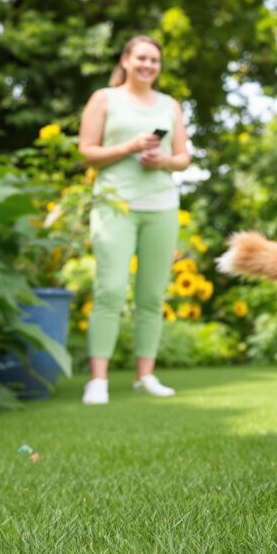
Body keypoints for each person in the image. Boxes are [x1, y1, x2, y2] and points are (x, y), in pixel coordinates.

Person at [77, 35, 190, 405]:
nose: (147, 65)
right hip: (115, 205)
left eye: (154, 60)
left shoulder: (170, 104)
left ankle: (145, 376)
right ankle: (98, 380)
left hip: (161, 206)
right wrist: (129, 147)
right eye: (141, 58)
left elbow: (182, 158)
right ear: (125, 60)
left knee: (152, 295)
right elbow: (87, 153)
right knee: (109, 290)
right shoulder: (103, 99)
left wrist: (162, 161)